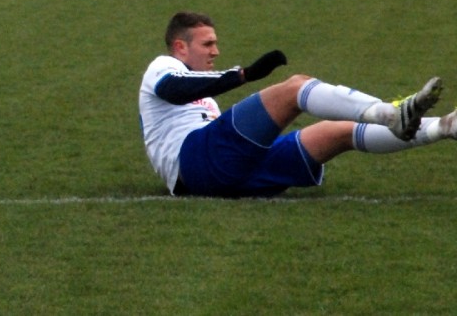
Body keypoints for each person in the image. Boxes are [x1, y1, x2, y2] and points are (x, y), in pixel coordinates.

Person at [138, 11, 457, 198]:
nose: (215, 51)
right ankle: (391, 114)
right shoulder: (163, 66)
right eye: (207, 44)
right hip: (195, 161)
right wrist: (242, 75)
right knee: (294, 88)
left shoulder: (202, 89)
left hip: (222, 175)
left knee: (337, 132)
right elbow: (174, 89)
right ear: (180, 47)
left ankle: (445, 127)